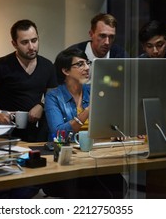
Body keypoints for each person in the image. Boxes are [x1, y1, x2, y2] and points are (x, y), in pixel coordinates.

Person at [42, 47, 127, 198]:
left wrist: (116, 131)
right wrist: (88, 110)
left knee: (119, 186)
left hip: (95, 155)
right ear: (66, 71)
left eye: (87, 63)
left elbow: (111, 122)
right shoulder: (53, 96)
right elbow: (58, 133)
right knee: (96, 192)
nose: (87, 68)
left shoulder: (95, 90)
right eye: (80, 64)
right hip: (67, 161)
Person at [0, 19, 58, 142]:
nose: (31, 47)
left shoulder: (47, 66)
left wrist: (41, 106)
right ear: (14, 43)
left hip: (34, 132)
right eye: (25, 42)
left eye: (34, 40)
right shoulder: (0, 65)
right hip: (2, 131)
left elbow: (53, 96)